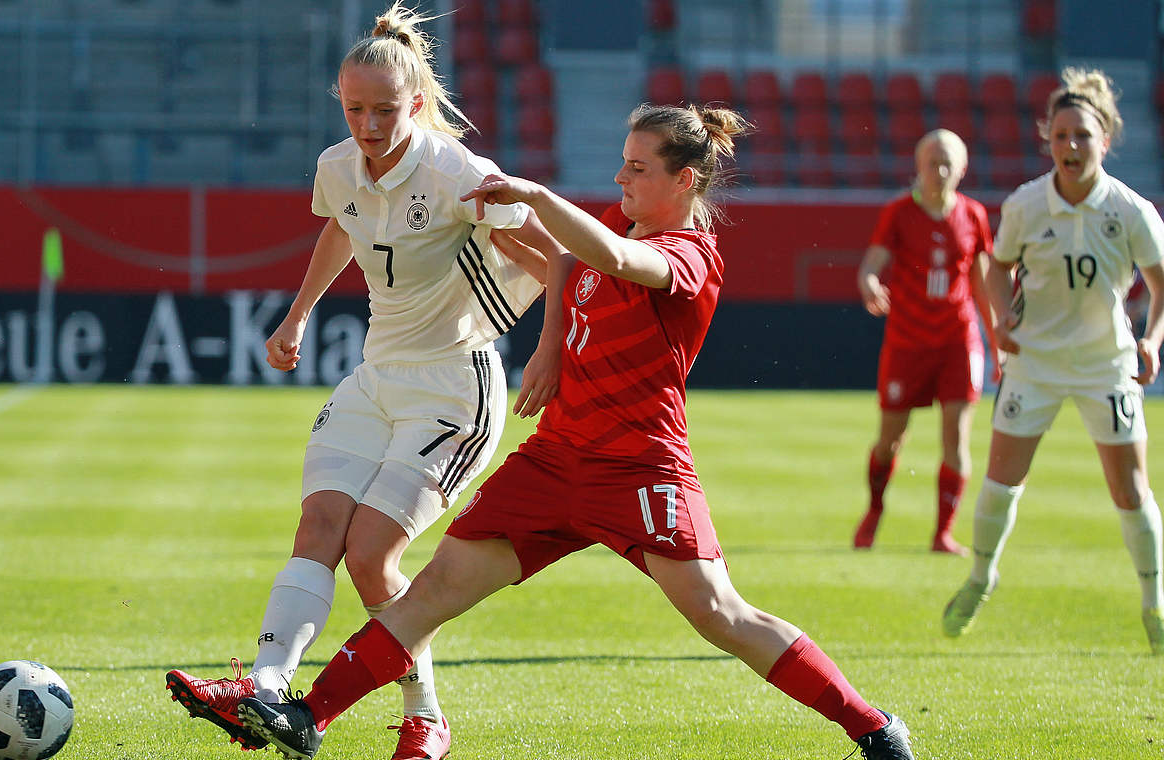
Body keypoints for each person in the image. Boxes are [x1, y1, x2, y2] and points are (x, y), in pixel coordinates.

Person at [234, 103, 915, 760]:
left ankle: (873, 727)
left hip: (638, 466)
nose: (621, 180)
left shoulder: (690, 256)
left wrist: (533, 193)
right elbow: (568, 265)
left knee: (719, 614)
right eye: (622, 164)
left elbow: (615, 260)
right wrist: (549, 336)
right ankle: (308, 715)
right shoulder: (622, 221)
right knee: (437, 588)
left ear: (684, 181)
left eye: (638, 168)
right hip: (556, 458)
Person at [163, 5, 561, 758]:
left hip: (455, 386)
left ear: (415, 101)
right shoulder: (337, 165)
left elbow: (560, 261)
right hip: (377, 380)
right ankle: (268, 690)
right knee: (318, 530)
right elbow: (343, 223)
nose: (368, 125)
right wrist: (298, 315)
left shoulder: (458, 174)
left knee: (371, 556)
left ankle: (426, 718)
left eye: (383, 109)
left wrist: (550, 354)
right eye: (354, 110)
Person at [941, 68, 1164, 655]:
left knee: (1131, 489)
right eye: (1061, 135)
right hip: (1035, 362)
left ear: (1104, 141)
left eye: (1083, 136)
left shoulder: (1132, 210)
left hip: (1105, 364)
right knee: (1000, 480)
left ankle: (1154, 601)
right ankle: (981, 575)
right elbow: (995, 268)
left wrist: (1151, 339)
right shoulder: (1026, 205)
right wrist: (1000, 322)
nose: (1071, 146)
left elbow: (1160, 282)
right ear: (1049, 140)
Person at [853, 129, 996, 555]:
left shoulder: (974, 215)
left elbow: (983, 284)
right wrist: (869, 283)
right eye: (933, 162)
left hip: (958, 337)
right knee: (890, 439)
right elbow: (871, 266)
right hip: (908, 340)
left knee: (956, 437)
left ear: (963, 168)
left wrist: (996, 342)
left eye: (948, 162)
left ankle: (943, 533)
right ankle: (875, 509)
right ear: (918, 166)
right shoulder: (898, 212)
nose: (940, 171)